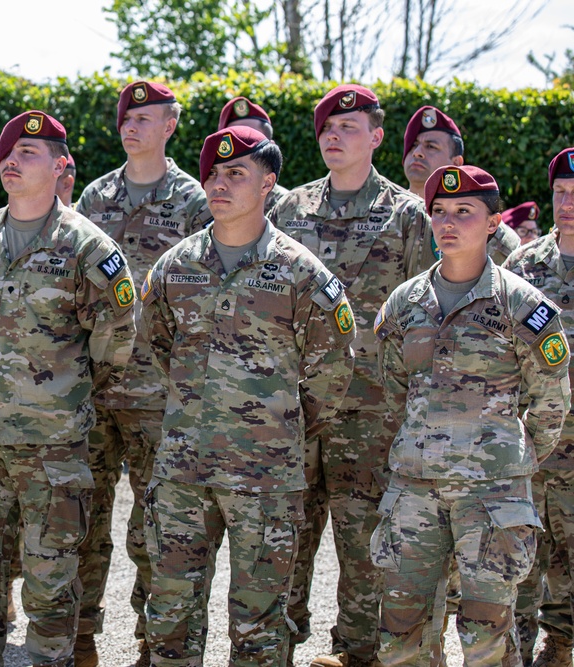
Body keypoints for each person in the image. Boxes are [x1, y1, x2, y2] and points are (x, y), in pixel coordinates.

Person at [142, 125, 356, 667]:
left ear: (269, 184)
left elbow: (333, 366)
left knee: (260, 624)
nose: (219, 183)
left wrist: (281, 425)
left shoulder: (300, 272)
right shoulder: (174, 267)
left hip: (265, 475)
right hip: (183, 471)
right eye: (213, 173)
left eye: (236, 173)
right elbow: (157, 343)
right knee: (169, 614)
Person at [0, 110, 136, 667]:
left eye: (29, 153)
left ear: (60, 167)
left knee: (51, 578)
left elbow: (116, 340)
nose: (12, 160)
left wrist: (63, 393)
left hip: (53, 447)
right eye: (8, 152)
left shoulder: (88, 248)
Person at [267, 83, 438, 667]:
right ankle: (278, 646)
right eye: (327, 129)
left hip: (370, 410)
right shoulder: (287, 210)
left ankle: (355, 652)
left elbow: (428, 312)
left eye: (349, 127)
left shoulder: (409, 216)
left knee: (364, 542)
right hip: (293, 406)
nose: (334, 136)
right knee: (285, 535)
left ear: (377, 137)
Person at [373, 164, 572, 667]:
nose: (449, 222)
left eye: (465, 212)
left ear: (492, 222)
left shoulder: (523, 306)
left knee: (486, 638)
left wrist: (509, 459)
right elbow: (394, 387)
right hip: (414, 493)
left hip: (492, 496)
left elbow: (550, 403)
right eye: (440, 211)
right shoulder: (404, 304)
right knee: (401, 635)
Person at [74, 80, 211, 667]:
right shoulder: (96, 197)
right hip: (98, 386)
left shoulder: (195, 202)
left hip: (164, 393)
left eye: (146, 117)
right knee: (83, 517)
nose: (132, 126)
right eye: (127, 117)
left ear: (170, 125)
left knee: (161, 528)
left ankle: (159, 643)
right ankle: (79, 636)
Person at [503, 150, 574, 667]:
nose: (568, 205)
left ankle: (563, 644)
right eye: (561, 194)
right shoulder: (524, 266)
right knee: (523, 549)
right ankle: (518, 646)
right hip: (533, 440)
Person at [402, 105, 520, 263]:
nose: (417, 152)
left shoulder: (494, 236)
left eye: (431, 146)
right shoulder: (384, 216)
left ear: (456, 163)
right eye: (413, 145)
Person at [217, 96, 290, 211]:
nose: (241, 150)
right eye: (233, 141)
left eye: (250, 141)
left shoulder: (287, 206)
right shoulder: (208, 203)